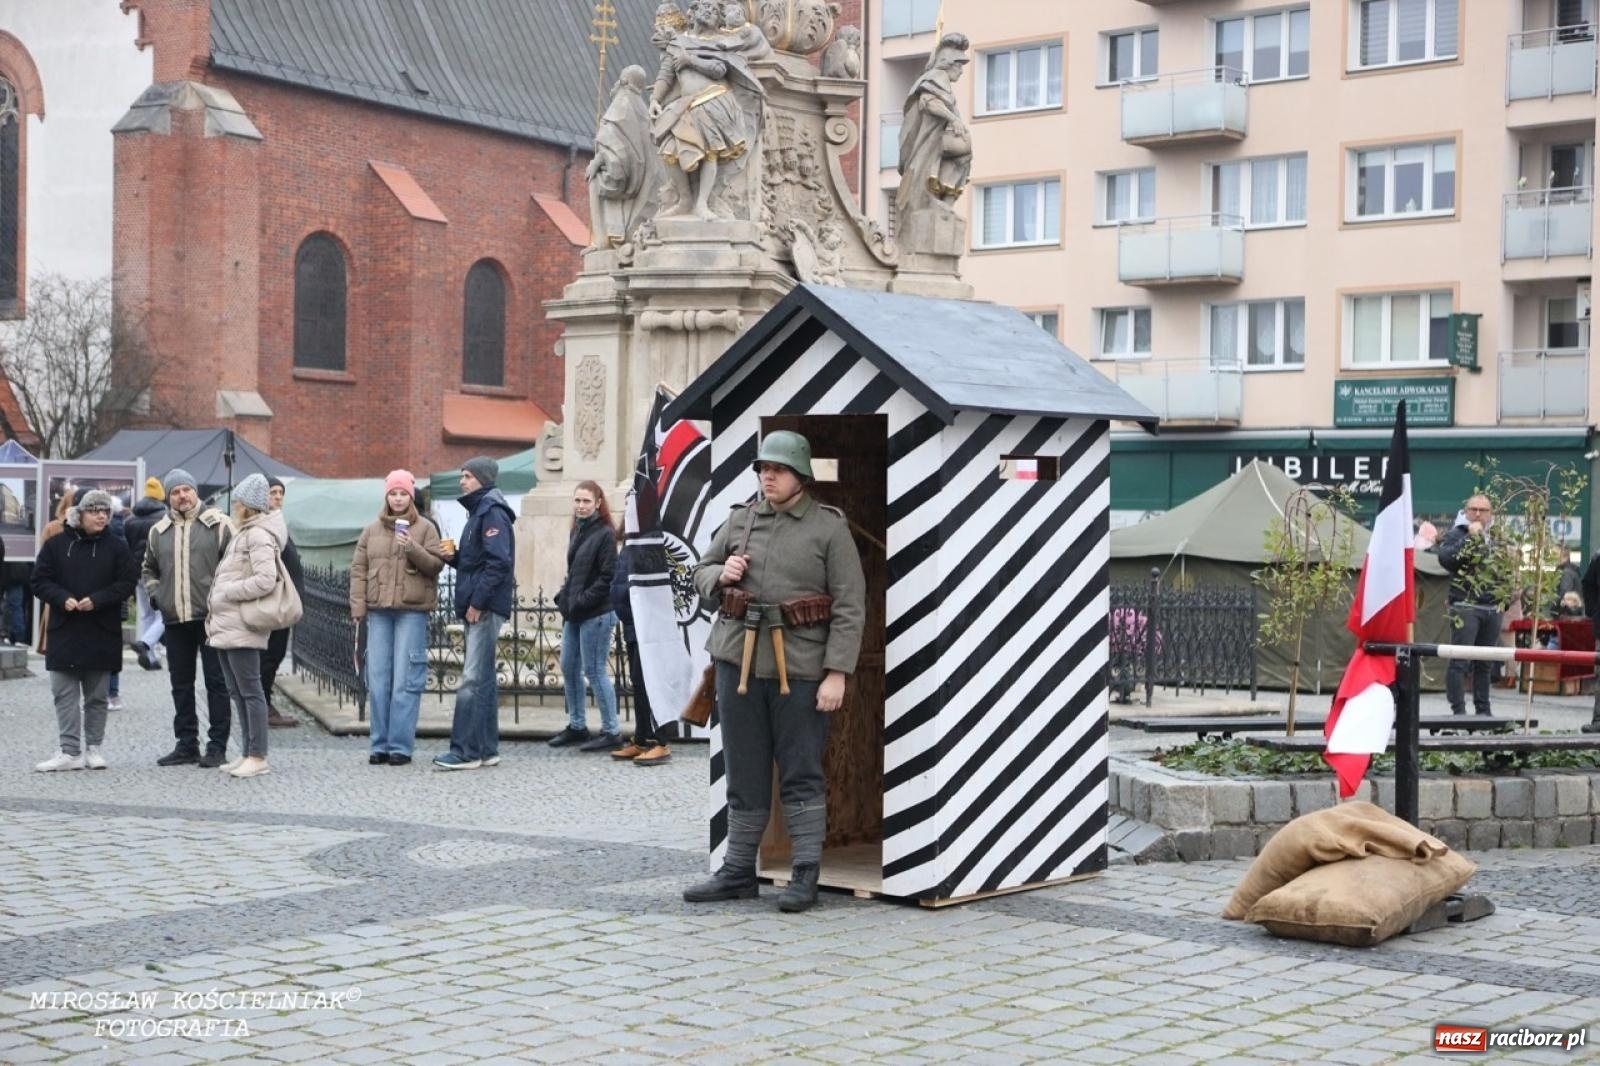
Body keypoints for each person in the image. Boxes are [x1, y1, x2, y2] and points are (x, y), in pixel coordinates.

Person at [683, 430, 865, 912]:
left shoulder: (829, 529)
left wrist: (836, 673)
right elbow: (700, 571)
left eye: (778, 469)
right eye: (764, 468)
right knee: (742, 770)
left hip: (801, 669)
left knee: (801, 772)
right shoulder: (740, 520)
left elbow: (850, 606)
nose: (768, 476)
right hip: (737, 663)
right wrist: (720, 575)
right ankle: (738, 871)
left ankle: (805, 873)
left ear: (800, 475)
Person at [30, 490, 137, 771]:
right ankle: (69, 751)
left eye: (105, 511)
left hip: (101, 629)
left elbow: (127, 582)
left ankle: (94, 748)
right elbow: (39, 580)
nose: (101, 516)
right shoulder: (56, 544)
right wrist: (61, 597)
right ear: (79, 513)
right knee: (63, 694)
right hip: (64, 628)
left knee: (97, 696)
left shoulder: (117, 546)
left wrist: (99, 599)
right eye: (94, 510)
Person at [350, 470, 445, 766]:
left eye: (403, 493)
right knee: (378, 680)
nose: (399, 498)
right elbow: (359, 570)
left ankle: (400, 746)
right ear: (387, 496)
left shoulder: (426, 528)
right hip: (379, 612)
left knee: (406, 679)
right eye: (394, 493)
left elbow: (436, 565)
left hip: (411, 612)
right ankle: (379, 744)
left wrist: (412, 547)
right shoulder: (371, 530)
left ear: (411, 496)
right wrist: (358, 609)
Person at [143, 468, 235, 767]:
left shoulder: (220, 524)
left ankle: (217, 746)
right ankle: (186, 744)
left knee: (216, 683)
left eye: (186, 490)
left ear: (195, 492)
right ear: (168, 497)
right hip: (175, 619)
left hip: (212, 618)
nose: (182, 496)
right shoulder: (158, 531)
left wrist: (223, 598)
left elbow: (235, 565)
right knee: (180, 684)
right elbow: (148, 568)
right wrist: (157, 595)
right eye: (175, 492)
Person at [432, 457, 516, 771]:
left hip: (484, 607)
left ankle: (465, 752)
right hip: (479, 604)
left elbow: (499, 563)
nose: (462, 481)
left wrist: (478, 602)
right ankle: (486, 749)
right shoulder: (480, 510)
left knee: (471, 680)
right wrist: (455, 557)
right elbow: (478, 562)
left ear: (482, 478)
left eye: (467, 476)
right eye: (462, 476)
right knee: (484, 679)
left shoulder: (491, 511)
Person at [205, 474, 290, 778]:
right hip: (228, 623)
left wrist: (229, 591)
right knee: (237, 691)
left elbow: (266, 580)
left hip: (241, 623)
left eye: (237, 501)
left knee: (250, 691)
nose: (233, 506)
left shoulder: (258, 535)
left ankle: (257, 755)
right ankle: (247, 752)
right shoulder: (245, 532)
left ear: (247, 505)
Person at [548, 481, 622, 752]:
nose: (581, 506)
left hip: (598, 612)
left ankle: (612, 731)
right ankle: (577, 725)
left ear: (598, 503)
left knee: (594, 670)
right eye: (577, 501)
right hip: (576, 613)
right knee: (568, 666)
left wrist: (580, 600)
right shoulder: (577, 530)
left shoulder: (605, 534)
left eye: (586, 501)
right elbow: (575, 573)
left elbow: (608, 577)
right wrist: (565, 598)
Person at [608, 510, 670, 765]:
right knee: (638, 682)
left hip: (648, 624)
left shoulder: (650, 541)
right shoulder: (630, 541)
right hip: (633, 623)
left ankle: (661, 741)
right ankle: (642, 738)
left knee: (652, 683)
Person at [1437, 494, 1503, 717]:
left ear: (1490, 514)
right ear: (1465, 512)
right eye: (1473, 509)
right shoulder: (1457, 533)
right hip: (1466, 605)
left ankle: (1483, 711)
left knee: (1485, 664)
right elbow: (1446, 559)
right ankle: (1459, 712)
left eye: (1482, 510)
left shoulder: (1497, 537)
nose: (1477, 514)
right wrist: (1470, 538)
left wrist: (1504, 599)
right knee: (1460, 661)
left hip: (1492, 608)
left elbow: (1505, 568)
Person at [260, 476, 304, 728]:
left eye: (280, 493)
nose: (277, 497)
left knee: (274, 655)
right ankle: (263, 705)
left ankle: (264, 702)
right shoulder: (265, 526)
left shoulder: (277, 523)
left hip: (284, 602)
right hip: (274, 602)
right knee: (269, 654)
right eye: (272, 492)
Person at [125, 477, 168, 670]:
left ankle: (149, 658)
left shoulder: (130, 520)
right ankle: (146, 643)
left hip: (138, 573)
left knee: (146, 614)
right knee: (165, 614)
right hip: (159, 573)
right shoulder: (166, 518)